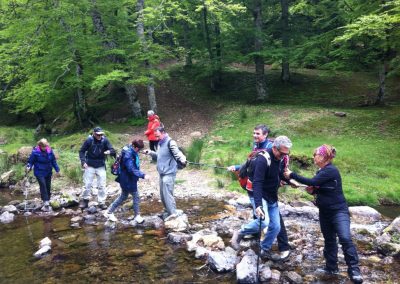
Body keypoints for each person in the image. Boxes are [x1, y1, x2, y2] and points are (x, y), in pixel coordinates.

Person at [284, 145, 363, 283]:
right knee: (329, 240)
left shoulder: (331, 170)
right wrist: (312, 191)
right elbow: (319, 188)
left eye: (316, 155)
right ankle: (331, 268)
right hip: (325, 212)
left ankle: (354, 270)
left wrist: (292, 175)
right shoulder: (322, 171)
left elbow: (313, 182)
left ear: (323, 157)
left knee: (345, 238)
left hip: (339, 211)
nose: (314, 157)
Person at [228, 125, 291, 261]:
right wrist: (258, 206)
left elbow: (280, 174)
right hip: (259, 193)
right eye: (282, 153)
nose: (284, 157)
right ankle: (239, 232)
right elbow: (257, 182)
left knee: (276, 227)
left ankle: (264, 249)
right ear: (275, 148)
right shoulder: (263, 158)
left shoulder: (280, 159)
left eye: (286, 154)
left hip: (271, 196)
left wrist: (291, 181)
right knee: (264, 221)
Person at [144, 126, 186, 219]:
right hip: (161, 173)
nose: (156, 138)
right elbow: (159, 156)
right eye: (155, 136)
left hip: (169, 173)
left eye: (158, 136)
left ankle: (173, 214)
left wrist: (182, 159)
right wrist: (150, 152)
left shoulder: (171, 142)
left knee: (168, 195)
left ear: (163, 133)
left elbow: (177, 152)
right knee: (163, 195)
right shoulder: (160, 143)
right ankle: (168, 211)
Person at [104, 139, 149, 222]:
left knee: (123, 196)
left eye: (140, 149)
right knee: (136, 196)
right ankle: (137, 216)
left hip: (126, 178)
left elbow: (134, 153)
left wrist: (144, 152)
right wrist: (143, 175)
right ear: (134, 146)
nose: (139, 151)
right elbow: (131, 169)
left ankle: (109, 212)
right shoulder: (128, 155)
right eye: (138, 149)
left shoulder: (130, 149)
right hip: (128, 179)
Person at [78, 127, 115, 210]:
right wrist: (83, 162)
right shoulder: (89, 140)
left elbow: (112, 150)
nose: (100, 136)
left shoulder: (105, 140)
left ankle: (101, 202)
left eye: (101, 134)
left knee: (102, 185)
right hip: (89, 165)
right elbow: (81, 151)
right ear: (94, 134)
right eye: (98, 134)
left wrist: (109, 152)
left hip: (101, 165)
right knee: (87, 184)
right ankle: (85, 200)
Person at [26, 138, 60, 212]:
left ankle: (48, 198)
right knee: (43, 185)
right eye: (43, 147)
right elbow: (30, 161)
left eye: (46, 146)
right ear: (40, 146)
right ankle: (45, 201)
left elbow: (53, 160)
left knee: (48, 185)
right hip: (39, 172)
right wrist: (29, 167)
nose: (45, 148)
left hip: (48, 171)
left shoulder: (50, 151)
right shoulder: (35, 152)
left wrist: (57, 170)